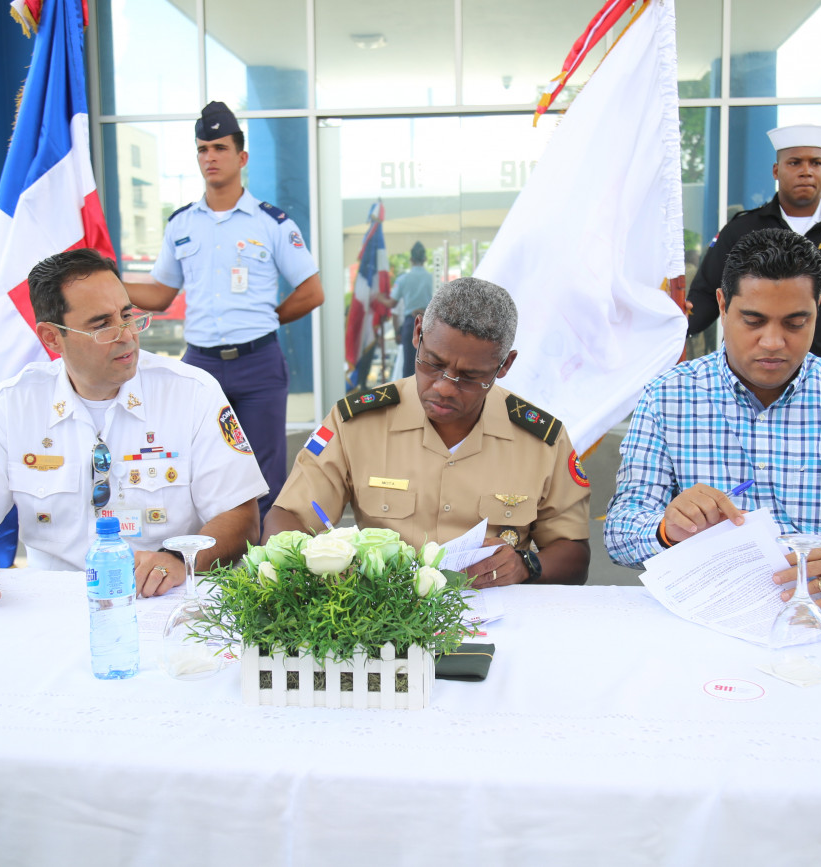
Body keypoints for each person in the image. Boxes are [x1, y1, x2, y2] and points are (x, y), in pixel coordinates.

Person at [0, 249, 268, 607]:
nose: (127, 335)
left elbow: (240, 518)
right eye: (102, 325)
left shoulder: (191, 392)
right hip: (52, 603)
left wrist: (178, 560)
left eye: (127, 316)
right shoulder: (12, 405)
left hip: (161, 600)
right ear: (52, 338)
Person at [606, 228, 821, 607]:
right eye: (753, 321)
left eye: (795, 323)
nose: (772, 342)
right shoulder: (668, 396)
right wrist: (666, 530)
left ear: (818, 308)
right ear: (722, 305)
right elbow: (621, 531)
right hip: (705, 614)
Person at [264, 277, 592, 588]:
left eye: (469, 376)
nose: (444, 387)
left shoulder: (540, 440)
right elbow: (287, 517)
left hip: (497, 609)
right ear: (418, 332)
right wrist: (317, 569)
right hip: (379, 610)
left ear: (504, 365)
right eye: (433, 363)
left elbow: (574, 554)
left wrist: (525, 565)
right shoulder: (357, 424)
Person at [127, 101, 323, 520]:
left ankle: (262, 557)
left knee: (264, 474)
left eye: (219, 148)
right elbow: (160, 295)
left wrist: (267, 320)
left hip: (258, 365)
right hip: (200, 365)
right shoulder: (181, 224)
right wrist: (108, 281)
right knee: (191, 465)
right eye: (203, 149)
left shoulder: (271, 223)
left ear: (242, 157)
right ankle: (206, 551)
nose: (210, 157)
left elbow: (311, 291)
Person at [685, 124, 821, 365]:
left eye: (816, 163)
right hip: (755, 367)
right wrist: (680, 324)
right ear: (776, 170)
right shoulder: (743, 229)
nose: (806, 171)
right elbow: (707, 294)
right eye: (794, 163)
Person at [391, 241, 433, 378]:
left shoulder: (404, 279)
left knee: (409, 366)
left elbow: (392, 304)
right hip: (429, 323)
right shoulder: (432, 278)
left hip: (411, 323)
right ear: (425, 259)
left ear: (411, 259)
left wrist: (378, 297)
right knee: (428, 365)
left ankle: (409, 391)